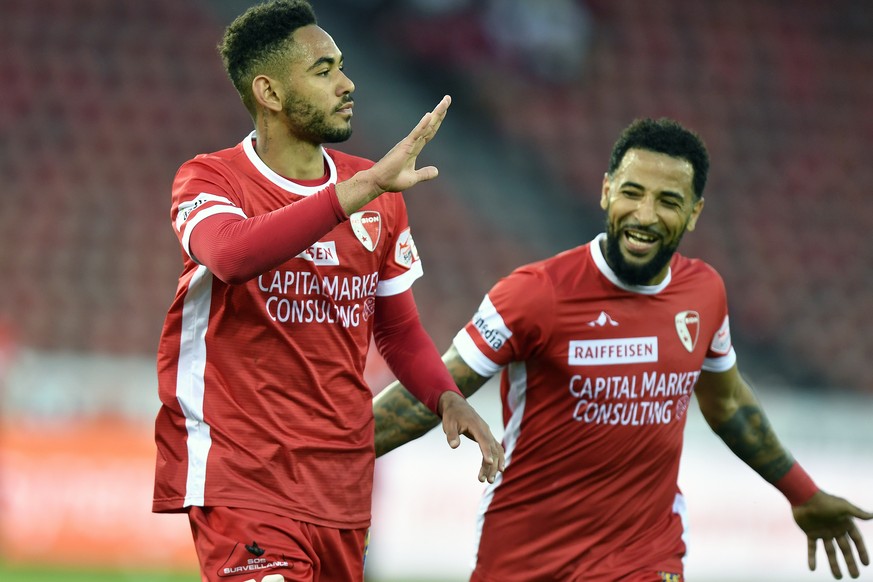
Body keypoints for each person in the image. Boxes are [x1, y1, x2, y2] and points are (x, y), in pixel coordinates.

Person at [373, 117, 872, 581]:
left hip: (646, 555)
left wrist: (801, 492)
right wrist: (315, 454)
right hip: (527, 558)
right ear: (607, 191)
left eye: (669, 201)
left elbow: (728, 403)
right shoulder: (536, 294)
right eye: (632, 193)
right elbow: (435, 390)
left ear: (694, 213)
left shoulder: (704, 294)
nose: (646, 215)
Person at [151, 1, 504, 581]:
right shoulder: (211, 179)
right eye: (323, 71)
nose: (347, 83)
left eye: (341, 65)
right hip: (245, 478)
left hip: (340, 486)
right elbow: (232, 255)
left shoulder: (378, 193)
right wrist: (358, 191)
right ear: (268, 92)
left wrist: (446, 396)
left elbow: (395, 328)